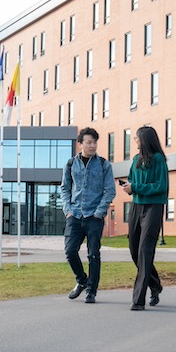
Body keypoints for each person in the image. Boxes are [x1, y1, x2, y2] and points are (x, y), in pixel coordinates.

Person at [60, 127, 116, 304]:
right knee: (70, 251)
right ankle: (82, 280)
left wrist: (99, 212)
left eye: (95, 142)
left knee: (93, 254)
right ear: (80, 144)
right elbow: (65, 188)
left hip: (94, 217)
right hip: (75, 215)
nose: (93, 146)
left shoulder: (103, 164)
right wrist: (67, 209)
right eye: (89, 142)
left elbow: (109, 191)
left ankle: (91, 291)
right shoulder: (70, 164)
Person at [119, 126, 168, 310]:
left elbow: (160, 186)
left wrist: (136, 187)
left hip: (153, 208)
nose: (135, 142)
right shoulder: (135, 160)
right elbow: (132, 179)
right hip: (136, 206)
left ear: (145, 140)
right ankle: (155, 284)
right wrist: (129, 186)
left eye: (137, 139)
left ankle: (138, 300)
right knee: (134, 250)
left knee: (145, 250)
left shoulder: (158, 160)